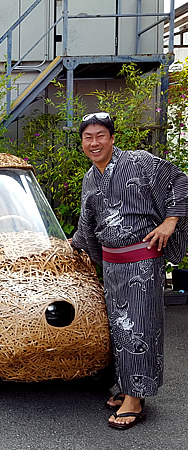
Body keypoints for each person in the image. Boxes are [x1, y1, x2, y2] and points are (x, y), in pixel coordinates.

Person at [71, 113, 188, 430]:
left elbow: (180, 181)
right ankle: (128, 388)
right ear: (82, 142)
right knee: (121, 329)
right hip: (112, 266)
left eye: (100, 136)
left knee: (142, 328)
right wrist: (72, 246)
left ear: (111, 138)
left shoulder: (139, 161)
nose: (94, 143)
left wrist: (170, 221)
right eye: (88, 137)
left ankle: (136, 400)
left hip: (142, 264)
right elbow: (87, 226)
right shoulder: (90, 178)